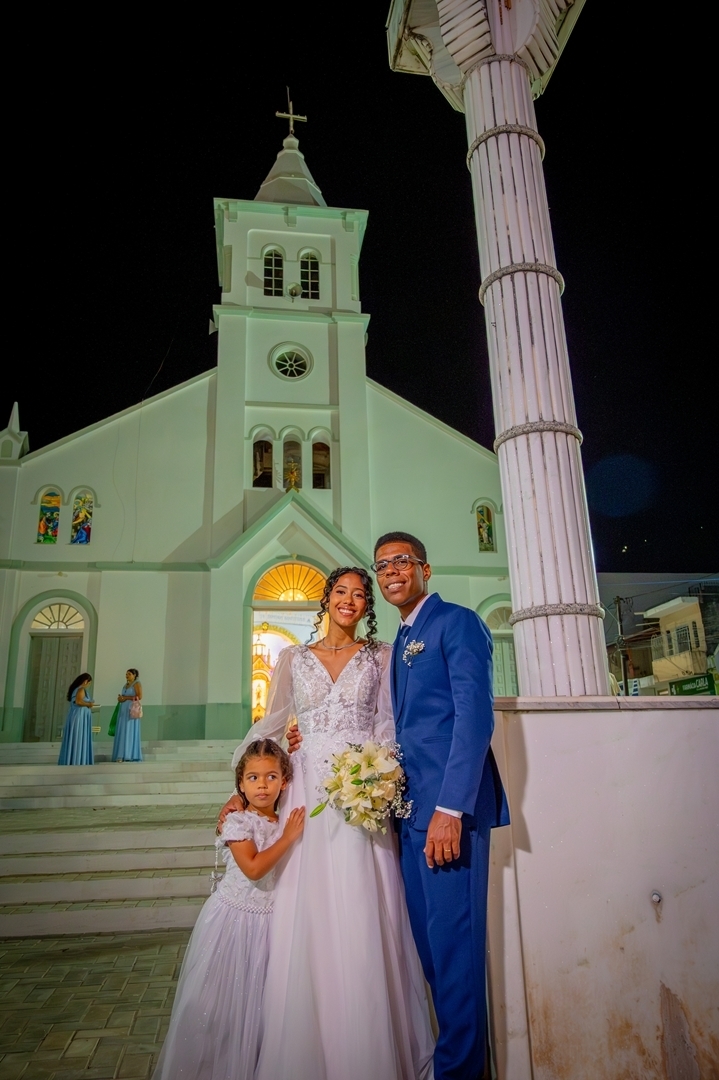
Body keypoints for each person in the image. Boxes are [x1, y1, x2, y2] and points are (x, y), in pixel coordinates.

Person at [219, 567, 435, 1080]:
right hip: (308, 790)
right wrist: (241, 787)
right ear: (326, 599)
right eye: (342, 592)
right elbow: (271, 725)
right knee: (307, 903)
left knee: (367, 899)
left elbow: (387, 722)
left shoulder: (380, 657)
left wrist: (375, 774)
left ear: (367, 606)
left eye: (360, 595)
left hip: (362, 791)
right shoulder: (292, 658)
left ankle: (371, 1045)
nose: (351, 601)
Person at [371, 532, 510, 1080]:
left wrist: (450, 809)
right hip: (408, 815)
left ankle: (461, 1074)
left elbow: (474, 719)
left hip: (448, 815)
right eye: (382, 567)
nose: (391, 573)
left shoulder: (457, 623)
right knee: (430, 951)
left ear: (424, 568)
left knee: (455, 953)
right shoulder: (405, 636)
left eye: (401, 562)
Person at [152, 739, 305, 1080]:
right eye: (252, 778)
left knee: (262, 1008)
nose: (262, 785)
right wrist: (288, 838)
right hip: (235, 921)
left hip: (271, 922)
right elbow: (253, 868)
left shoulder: (283, 820)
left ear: (285, 781)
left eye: (270, 777)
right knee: (222, 1006)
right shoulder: (238, 822)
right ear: (240, 784)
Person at [58, 673, 95, 765]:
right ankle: (77, 760)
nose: (88, 685)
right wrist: (89, 704)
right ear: (86, 681)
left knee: (76, 738)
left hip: (77, 716)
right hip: (79, 717)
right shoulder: (81, 689)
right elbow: (78, 701)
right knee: (78, 737)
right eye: (89, 683)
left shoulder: (75, 689)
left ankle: (73, 759)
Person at [112, 668, 143, 762]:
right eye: (126, 674)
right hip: (123, 710)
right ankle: (120, 754)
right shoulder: (126, 685)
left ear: (134, 675)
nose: (127, 675)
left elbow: (139, 696)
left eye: (129, 674)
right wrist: (120, 698)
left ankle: (129, 754)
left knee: (129, 730)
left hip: (131, 710)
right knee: (122, 730)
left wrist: (125, 698)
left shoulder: (137, 684)